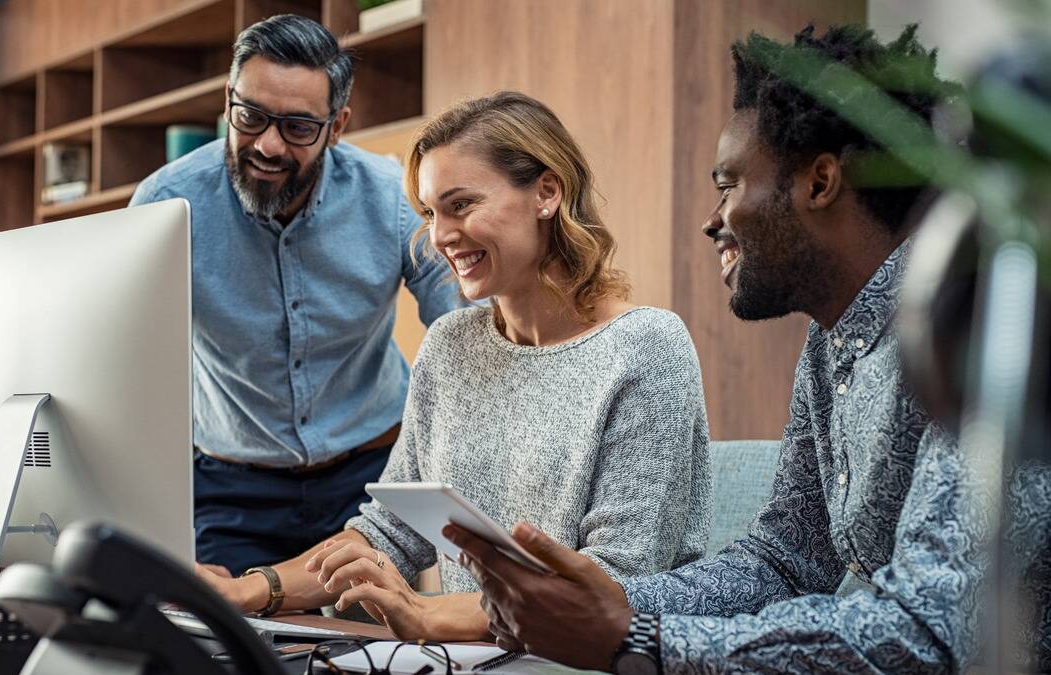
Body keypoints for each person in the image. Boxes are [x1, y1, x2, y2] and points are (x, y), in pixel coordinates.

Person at [447, 23, 1049, 672]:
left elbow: (926, 631)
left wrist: (641, 639)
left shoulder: (979, 321)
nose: (713, 219)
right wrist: (610, 601)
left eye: (728, 183)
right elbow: (785, 561)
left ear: (819, 182)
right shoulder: (829, 345)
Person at [196, 91, 712, 641]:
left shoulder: (647, 347)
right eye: (430, 213)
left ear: (546, 192)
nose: (439, 237)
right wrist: (251, 590)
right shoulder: (449, 345)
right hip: (471, 654)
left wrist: (427, 615)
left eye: (461, 205)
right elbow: (389, 532)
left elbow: (614, 585)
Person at [128, 14, 463, 576]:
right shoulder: (166, 206)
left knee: (368, 654)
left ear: (337, 126)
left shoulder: (389, 199)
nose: (267, 144)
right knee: (229, 649)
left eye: (298, 128)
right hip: (232, 490)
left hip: (372, 480)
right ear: (227, 98)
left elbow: (465, 326)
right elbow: (126, 358)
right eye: (251, 116)